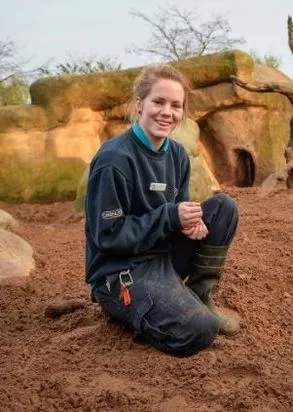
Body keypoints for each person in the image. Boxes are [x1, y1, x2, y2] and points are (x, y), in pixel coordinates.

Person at [85, 64, 240, 355]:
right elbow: (107, 237)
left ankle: (198, 294)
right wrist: (170, 217)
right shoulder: (114, 161)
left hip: (162, 257)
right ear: (139, 104)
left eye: (176, 105)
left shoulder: (177, 155)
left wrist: (189, 224)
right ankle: (129, 310)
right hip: (121, 272)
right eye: (158, 102)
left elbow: (175, 210)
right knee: (201, 330)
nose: (166, 112)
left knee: (224, 208)